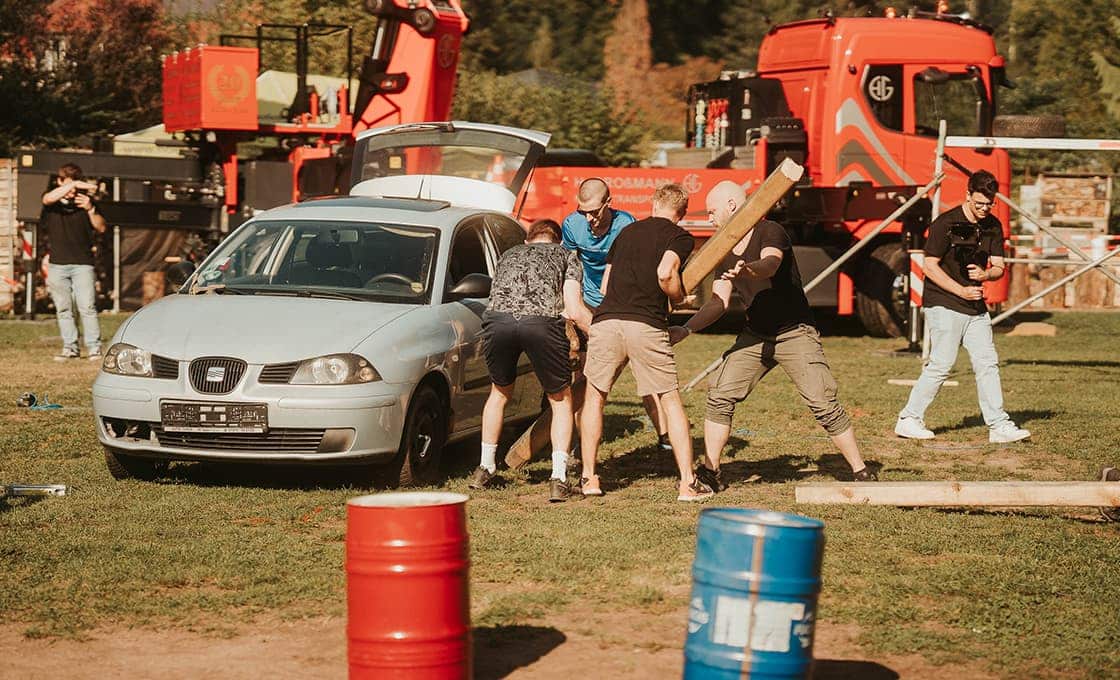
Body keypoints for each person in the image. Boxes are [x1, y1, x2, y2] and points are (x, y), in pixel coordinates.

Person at [672, 180, 876, 491]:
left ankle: (860, 470)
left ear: (732, 206)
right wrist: (687, 328)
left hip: (795, 332)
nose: (710, 218)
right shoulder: (722, 248)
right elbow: (718, 302)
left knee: (822, 402)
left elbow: (771, 263)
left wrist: (749, 270)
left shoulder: (769, 230)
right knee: (720, 395)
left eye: (713, 211)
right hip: (756, 335)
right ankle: (712, 472)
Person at [579, 183, 713, 502]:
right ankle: (687, 483)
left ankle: (589, 478)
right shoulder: (679, 236)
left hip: (607, 319)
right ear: (680, 213)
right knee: (669, 399)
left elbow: (606, 283)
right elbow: (666, 273)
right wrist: (679, 298)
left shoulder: (625, 232)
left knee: (595, 397)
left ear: (653, 203)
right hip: (646, 323)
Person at [895, 170, 1030, 443]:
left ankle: (998, 425)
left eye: (988, 204)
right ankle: (909, 418)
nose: (983, 209)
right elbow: (929, 266)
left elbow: (999, 267)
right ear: (968, 195)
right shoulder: (945, 223)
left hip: (975, 306)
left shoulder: (992, 225)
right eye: (978, 203)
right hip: (944, 302)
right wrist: (960, 290)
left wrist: (985, 275)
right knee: (942, 364)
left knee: (988, 364)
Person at [469, 219, 593, 502]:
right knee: (560, 399)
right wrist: (600, 334)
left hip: (497, 321)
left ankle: (484, 467)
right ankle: (559, 478)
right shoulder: (566, 256)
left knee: (499, 393)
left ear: (528, 240)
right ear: (557, 241)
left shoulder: (508, 254)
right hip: (540, 323)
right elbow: (573, 308)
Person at [561, 178, 670, 450]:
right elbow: (569, 270)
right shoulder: (572, 225)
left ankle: (665, 436)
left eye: (594, 212)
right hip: (587, 304)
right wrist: (574, 309)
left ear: (609, 203)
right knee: (585, 375)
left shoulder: (626, 224)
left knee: (643, 369)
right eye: (582, 211)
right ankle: (578, 441)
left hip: (622, 302)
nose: (589, 219)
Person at [40, 163, 105, 361]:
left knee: (87, 306)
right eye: (67, 186)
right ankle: (70, 347)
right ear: (59, 183)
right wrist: (74, 183)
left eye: (75, 188)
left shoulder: (86, 204)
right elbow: (48, 198)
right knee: (64, 308)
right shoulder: (52, 205)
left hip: (83, 264)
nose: (72, 192)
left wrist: (91, 208)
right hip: (57, 265)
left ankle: (94, 348)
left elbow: (101, 228)